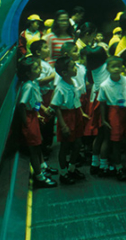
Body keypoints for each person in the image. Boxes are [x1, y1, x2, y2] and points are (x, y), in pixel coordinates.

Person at [17, 58, 57, 188]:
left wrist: (39, 112)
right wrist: (27, 123)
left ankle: (42, 166)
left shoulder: (33, 83)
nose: (39, 70)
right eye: (36, 68)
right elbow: (22, 105)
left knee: (38, 143)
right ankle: (39, 176)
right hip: (29, 118)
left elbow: (35, 102)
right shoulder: (28, 86)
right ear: (28, 73)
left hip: (33, 116)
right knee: (34, 148)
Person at [51, 56, 86, 185]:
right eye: (72, 67)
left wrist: (81, 113)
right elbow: (56, 107)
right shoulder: (60, 88)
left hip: (76, 114)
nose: (75, 68)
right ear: (64, 72)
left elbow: (76, 99)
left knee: (77, 143)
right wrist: (63, 125)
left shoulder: (73, 82)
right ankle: (63, 173)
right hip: (66, 117)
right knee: (65, 147)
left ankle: (72, 168)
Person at [98, 57, 126, 180]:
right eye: (113, 66)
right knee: (116, 142)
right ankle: (119, 167)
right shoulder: (104, 85)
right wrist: (104, 119)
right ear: (107, 68)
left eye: (119, 65)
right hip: (114, 112)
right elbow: (102, 103)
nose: (117, 68)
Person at [82, 45, 109, 175]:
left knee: (99, 135)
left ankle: (94, 162)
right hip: (104, 100)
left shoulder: (91, 69)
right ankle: (104, 165)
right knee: (106, 135)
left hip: (95, 99)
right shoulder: (107, 66)